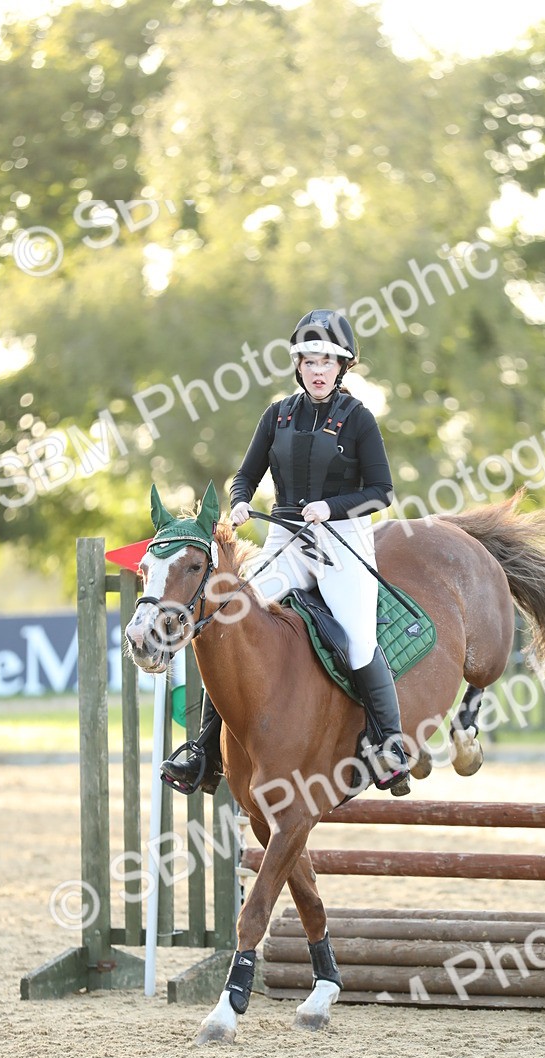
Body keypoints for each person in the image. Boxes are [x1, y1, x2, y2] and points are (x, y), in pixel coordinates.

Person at [161, 309, 409, 795]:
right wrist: (238, 504)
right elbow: (245, 476)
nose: (318, 369)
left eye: (328, 361)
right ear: (298, 364)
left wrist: (331, 508)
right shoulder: (277, 415)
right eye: (310, 360)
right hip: (285, 540)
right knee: (232, 621)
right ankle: (205, 752)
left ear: (342, 367)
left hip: (341, 542)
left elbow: (382, 491)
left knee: (358, 641)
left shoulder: (359, 419)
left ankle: (391, 744)